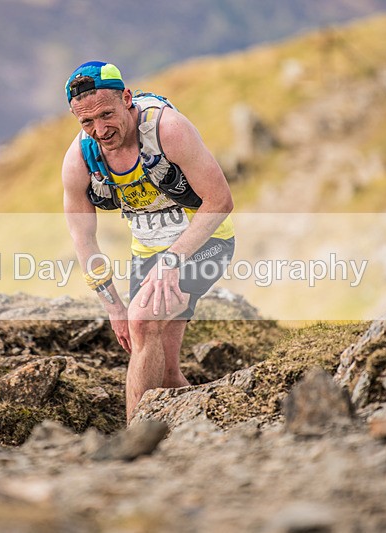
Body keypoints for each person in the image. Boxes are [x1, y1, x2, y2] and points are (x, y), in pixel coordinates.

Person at [61, 61, 235, 423]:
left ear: (127, 98)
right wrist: (112, 306)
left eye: (107, 114)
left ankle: (134, 446)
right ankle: (208, 431)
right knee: (165, 371)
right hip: (148, 255)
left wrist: (171, 262)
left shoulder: (167, 129)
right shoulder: (80, 159)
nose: (100, 129)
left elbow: (220, 201)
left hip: (205, 242)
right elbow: (83, 239)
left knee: (143, 321)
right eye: (87, 122)